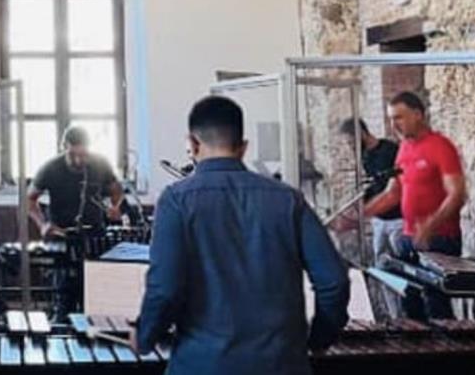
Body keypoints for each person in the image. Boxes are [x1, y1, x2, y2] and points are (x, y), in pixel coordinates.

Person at [133, 96, 349, 375]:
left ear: (193, 145)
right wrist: (319, 339)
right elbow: (334, 281)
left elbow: (165, 289)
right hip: (282, 365)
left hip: (202, 365)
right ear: (244, 147)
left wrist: (145, 336)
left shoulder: (176, 201)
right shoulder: (288, 200)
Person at [363, 91, 467, 320]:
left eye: (399, 117)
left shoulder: (440, 146)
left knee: (436, 304)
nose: (394, 125)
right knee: (409, 298)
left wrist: (430, 226)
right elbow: (392, 194)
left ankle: (447, 352)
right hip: (409, 237)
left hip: (440, 239)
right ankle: (419, 352)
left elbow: (457, 194)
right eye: (391, 118)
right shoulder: (404, 149)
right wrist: (359, 215)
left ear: (418, 114)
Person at [339, 117, 403, 317]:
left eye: (351, 141)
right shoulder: (365, 157)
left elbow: (394, 190)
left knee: (403, 270)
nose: (350, 147)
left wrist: (360, 214)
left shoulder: (390, 150)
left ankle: (410, 317)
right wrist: (352, 209)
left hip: (398, 220)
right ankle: (395, 318)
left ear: (362, 133)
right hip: (379, 222)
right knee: (383, 272)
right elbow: (371, 189)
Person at [27, 126, 125, 238]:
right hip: (60, 233)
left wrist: (115, 207)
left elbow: (116, 191)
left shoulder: (101, 164)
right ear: (64, 148)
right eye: (72, 155)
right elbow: (29, 199)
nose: (78, 160)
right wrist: (42, 225)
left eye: (83, 155)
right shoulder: (49, 168)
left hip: (95, 232)